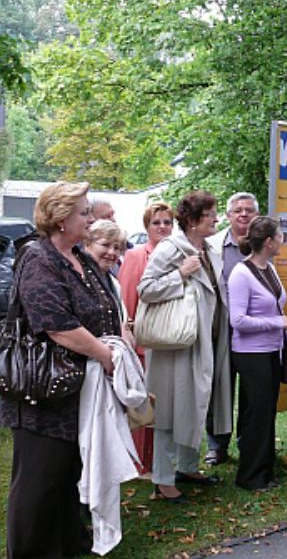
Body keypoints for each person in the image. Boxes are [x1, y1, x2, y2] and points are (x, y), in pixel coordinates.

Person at [0, 181, 119, 557]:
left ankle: (65, 547)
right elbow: (56, 324)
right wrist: (104, 353)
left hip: (78, 390)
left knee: (67, 476)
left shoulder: (79, 257)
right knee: (38, 482)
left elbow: (104, 309)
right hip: (44, 391)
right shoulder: (38, 257)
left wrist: (119, 343)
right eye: (83, 212)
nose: (90, 217)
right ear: (60, 218)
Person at [138, 191, 231, 502]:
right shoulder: (170, 249)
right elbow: (146, 289)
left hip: (206, 342)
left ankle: (188, 467)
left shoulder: (210, 249)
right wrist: (180, 274)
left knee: (195, 404)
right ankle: (163, 480)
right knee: (168, 410)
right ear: (193, 220)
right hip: (176, 345)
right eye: (211, 214)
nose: (217, 219)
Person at [227, 216, 287, 490]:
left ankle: (266, 469)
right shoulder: (241, 274)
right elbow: (238, 321)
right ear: (269, 241)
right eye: (280, 236)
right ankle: (250, 476)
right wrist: (274, 325)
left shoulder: (269, 268)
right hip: (250, 354)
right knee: (256, 413)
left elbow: (278, 313)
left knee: (267, 411)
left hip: (272, 351)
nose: (283, 240)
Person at [117, 200, 174, 474]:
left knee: (163, 403)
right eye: (156, 222)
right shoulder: (137, 255)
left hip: (169, 340)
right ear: (147, 226)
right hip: (143, 341)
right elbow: (128, 299)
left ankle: (158, 460)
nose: (162, 227)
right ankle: (139, 461)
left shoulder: (176, 254)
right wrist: (130, 336)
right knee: (143, 402)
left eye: (167, 222)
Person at [204, 192, 260, 465]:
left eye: (249, 210)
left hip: (254, 333)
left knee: (250, 392)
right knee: (219, 389)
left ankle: (248, 443)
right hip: (221, 330)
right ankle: (217, 445)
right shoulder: (212, 246)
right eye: (238, 210)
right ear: (228, 216)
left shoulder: (263, 246)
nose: (243, 214)